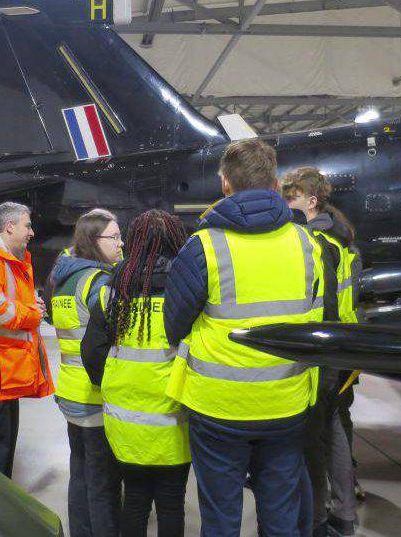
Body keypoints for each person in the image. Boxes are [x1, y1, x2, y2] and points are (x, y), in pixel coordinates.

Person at [164, 139, 326, 537]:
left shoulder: (203, 247)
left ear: (224, 184)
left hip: (218, 407)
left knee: (220, 517)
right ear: (275, 186)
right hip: (286, 403)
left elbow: (174, 325)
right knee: (281, 515)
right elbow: (317, 321)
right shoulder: (308, 245)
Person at [82, 210, 191, 537]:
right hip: (175, 422)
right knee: (172, 505)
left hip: (125, 424)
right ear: (175, 241)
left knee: (135, 501)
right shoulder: (186, 294)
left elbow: (91, 353)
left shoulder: (113, 292)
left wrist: (113, 383)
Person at [282, 167, 361, 537]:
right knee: (335, 430)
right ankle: (344, 514)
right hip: (344, 345)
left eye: (292, 198)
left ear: (310, 201)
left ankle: (315, 521)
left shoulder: (316, 242)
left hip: (323, 350)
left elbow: (323, 305)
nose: (286, 204)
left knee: (314, 439)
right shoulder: (343, 236)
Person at [48, 208, 124, 537]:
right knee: (103, 484)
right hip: (95, 396)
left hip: (70, 391)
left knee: (79, 475)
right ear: (95, 241)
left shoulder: (63, 280)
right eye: (115, 237)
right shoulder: (97, 283)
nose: (121, 244)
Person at [0, 201, 55, 477]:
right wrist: (33, 314)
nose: (32, 232)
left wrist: (34, 304)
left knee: (4, 447)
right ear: (9, 227)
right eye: (27, 225)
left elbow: (15, 299)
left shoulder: (15, 258)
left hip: (11, 371)